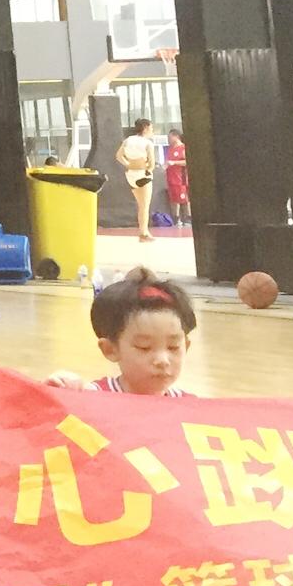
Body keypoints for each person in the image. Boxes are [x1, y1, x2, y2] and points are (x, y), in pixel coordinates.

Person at [47, 268, 197, 396]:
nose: (163, 361)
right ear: (110, 349)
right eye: (144, 347)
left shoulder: (188, 406)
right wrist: (61, 388)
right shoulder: (95, 397)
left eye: (173, 347)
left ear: (186, 346)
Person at [116, 118, 157, 241]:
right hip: (143, 174)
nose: (152, 130)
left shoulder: (128, 140)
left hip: (130, 174)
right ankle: (143, 233)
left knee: (141, 205)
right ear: (145, 128)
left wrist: (128, 164)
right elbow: (152, 164)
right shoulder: (148, 143)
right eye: (151, 127)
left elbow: (118, 156)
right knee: (144, 206)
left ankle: (143, 232)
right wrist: (149, 169)